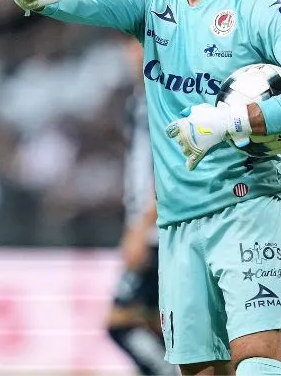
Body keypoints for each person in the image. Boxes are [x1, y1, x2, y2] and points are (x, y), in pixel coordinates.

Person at [7, 0, 281, 376]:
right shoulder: (151, 0)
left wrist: (234, 120)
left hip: (247, 210)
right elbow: (88, 2)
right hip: (177, 226)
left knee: (257, 363)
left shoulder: (259, 6)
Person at [106, 39, 174, 375]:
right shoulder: (138, 99)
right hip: (149, 227)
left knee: (120, 322)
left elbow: (171, 169)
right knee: (156, 325)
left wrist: (140, 227)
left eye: (137, 44)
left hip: (159, 231)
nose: (129, 53)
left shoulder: (165, 97)